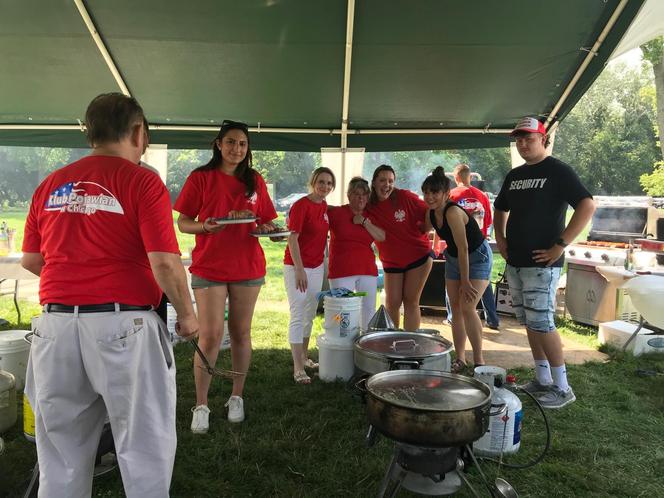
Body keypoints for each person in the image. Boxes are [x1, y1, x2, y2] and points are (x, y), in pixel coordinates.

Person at [21, 92, 198, 497]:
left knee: (61, 459)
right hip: (124, 328)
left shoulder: (50, 184)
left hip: (54, 327)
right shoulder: (141, 179)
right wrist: (188, 316)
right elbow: (166, 262)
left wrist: (76, 279)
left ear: (91, 134)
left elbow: (33, 259)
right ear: (139, 133)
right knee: (144, 450)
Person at [174, 120, 278, 430]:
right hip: (210, 266)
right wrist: (206, 226)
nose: (237, 149)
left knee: (241, 333)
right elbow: (184, 222)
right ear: (219, 144)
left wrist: (269, 230)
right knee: (210, 336)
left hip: (247, 266)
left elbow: (266, 222)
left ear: (248, 149)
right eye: (231, 142)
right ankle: (201, 403)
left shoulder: (254, 180)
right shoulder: (201, 178)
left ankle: (237, 396)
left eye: (243, 144)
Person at [494, 117, 595, 409]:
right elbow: (500, 207)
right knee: (529, 322)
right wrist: (500, 238)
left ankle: (563, 387)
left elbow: (587, 205)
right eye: (519, 140)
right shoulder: (514, 175)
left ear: (544, 139)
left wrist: (560, 245)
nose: (523, 144)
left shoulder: (558, 171)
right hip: (516, 261)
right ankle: (542, 379)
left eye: (529, 138)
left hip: (542, 263)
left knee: (543, 322)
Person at [423, 167, 492, 372]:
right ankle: (460, 359)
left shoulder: (452, 212)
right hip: (454, 258)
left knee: (468, 307)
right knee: (455, 310)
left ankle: (479, 361)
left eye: (434, 193)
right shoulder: (431, 212)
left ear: (446, 194)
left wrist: (466, 281)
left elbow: (463, 247)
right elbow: (426, 229)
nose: (429, 197)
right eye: (426, 192)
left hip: (476, 257)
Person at [365, 165, 432, 330]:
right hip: (391, 261)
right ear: (373, 183)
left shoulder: (404, 197)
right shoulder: (368, 205)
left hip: (418, 257)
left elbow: (430, 210)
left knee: (411, 301)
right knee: (392, 303)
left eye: (390, 181)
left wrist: (427, 228)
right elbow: (348, 211)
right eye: (382, 180)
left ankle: (410, 343)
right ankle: (393, 343)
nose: (386, 185)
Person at [284, 167, 335, 384]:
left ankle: (304, 357)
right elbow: (292, 238)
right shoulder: (301, 205)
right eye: (321, 182)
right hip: (297, 266)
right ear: (313, 182)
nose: (325, 186)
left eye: (329, 183)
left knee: (310, 311)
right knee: (297, 312)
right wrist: (299, 269)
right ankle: (297, 368)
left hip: (316, 266)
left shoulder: (324, 206)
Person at [447, 163, 500, 330]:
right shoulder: (482, 195)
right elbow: (489, 221)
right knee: (483, 284)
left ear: (456, 178)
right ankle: (492, 318)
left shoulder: (452, 195)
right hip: (480, 247)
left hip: (459, 247)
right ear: (470, 177)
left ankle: (451, 318)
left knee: (452, 286)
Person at [328, 177, 385, 330]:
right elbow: (316, 211)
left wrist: (365, 222)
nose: (361, 198)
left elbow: (382, 237)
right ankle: (342, 348)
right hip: (341, 270)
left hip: (367, 270)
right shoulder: (336, 213)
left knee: (368, 310)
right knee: (342, 311)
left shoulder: (371, 216)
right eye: (356, 194)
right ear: (348, 195)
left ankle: (365, 347)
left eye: (364, 194)